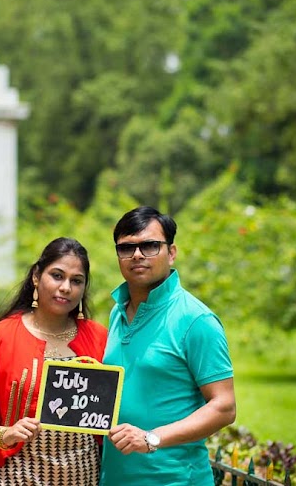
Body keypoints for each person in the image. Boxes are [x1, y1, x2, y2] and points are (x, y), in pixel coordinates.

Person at [99, 206, 236, 486]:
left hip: (174, 479)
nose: (137, 255)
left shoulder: (196, 320)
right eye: (126, 248)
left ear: (171, 252)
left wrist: (152, 438)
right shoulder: (117, 312)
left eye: (150, 246)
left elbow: (224, 406)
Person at [0, 237, 108, 486]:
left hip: (83, 475)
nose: (66, 287)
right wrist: (5, 434)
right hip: (16, 474)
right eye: (57, 276)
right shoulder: (0, 337)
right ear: (36, 277)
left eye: (76, 281)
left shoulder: (99, 338)